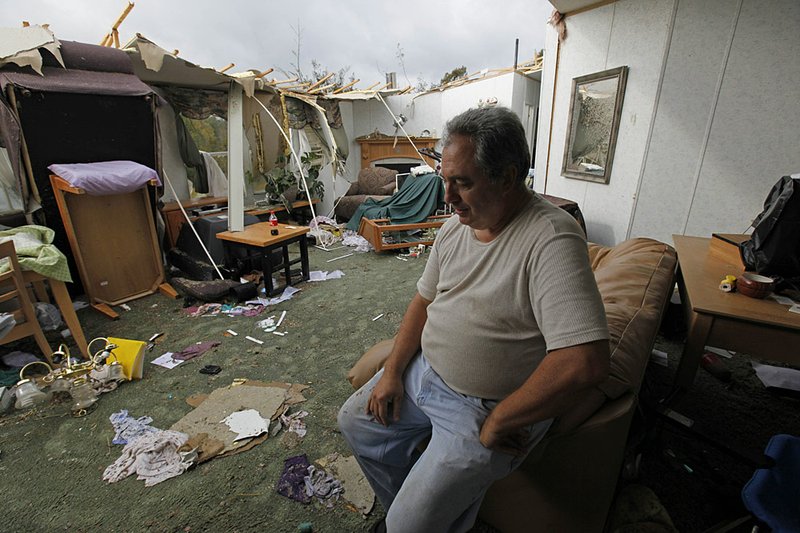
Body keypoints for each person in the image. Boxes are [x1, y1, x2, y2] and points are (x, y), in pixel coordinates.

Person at [338, 106, 610, 533]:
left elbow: (585, 361)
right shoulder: (455, 229)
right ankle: (412, 518)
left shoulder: (551, 239)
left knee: (410, 525)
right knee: (355, 423)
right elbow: (421, 304)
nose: (447, 198)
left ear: (507, 176)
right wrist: (393, 371)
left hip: (483, 405)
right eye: (445, 180)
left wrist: (503, 418)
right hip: (423, 372)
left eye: (461, 183)